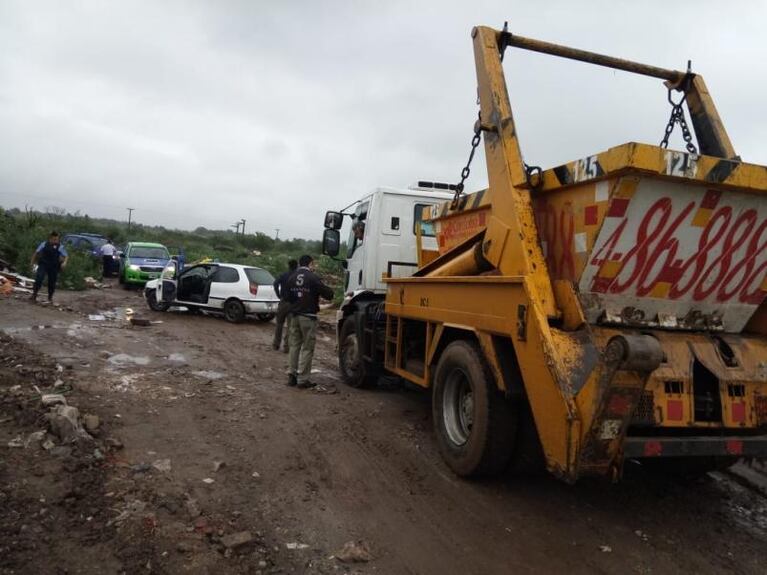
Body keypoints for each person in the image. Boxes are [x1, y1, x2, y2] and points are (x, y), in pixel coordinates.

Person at [285, 255, 334, 388]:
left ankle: (292, 376)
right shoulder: (313, 277)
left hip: (294, 316)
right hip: (308, 316)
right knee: (307, 348)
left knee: (294, 346)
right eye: (314, 264)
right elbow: (328, 294)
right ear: (311, 264)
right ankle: (303, 380)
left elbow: (286, 296)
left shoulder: (292, 277)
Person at [31, 231, 68, 303]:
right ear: (50, 239)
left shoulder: (60, 246)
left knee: (52, 282)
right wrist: (32, 263)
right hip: (43, 264)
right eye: (54, 239)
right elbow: (36, 253)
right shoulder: (44, 244)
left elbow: (66, 256)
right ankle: (34, 294)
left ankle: (50, 297)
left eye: (57, 239)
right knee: (39, 277)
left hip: (54, 266)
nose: (56, 241)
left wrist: (64, 262)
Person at [272, 259, 298, 353]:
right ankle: (287, 347)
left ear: (289, 266)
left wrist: (278, 294)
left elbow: (275, 283)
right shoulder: (297, 276)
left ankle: (276, 344)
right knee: (290, 327)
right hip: (293, 304)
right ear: (297, 266)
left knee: (279, 324)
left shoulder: (284, 275)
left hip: (283, 302)